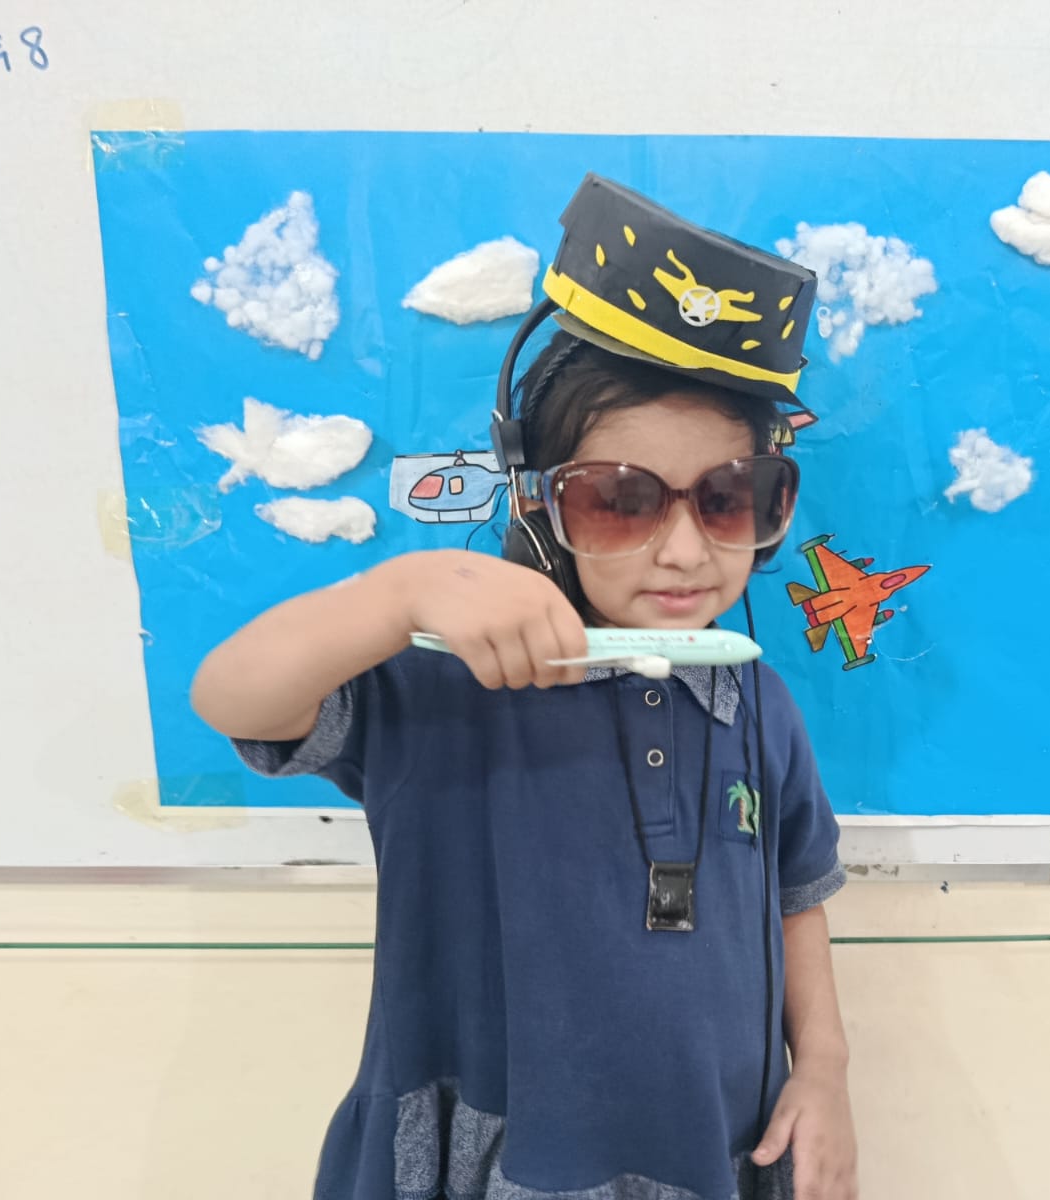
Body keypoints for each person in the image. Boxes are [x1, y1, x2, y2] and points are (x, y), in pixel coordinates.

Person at [192, 174, 858, 1200]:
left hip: (717, 1144)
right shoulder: (440, 681)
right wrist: (399, 590)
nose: (686, 551)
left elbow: (794, 899)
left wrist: (825, 1072)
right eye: (621, 501)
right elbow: (231, 697)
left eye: (730, 499)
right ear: (540, 502)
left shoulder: (756, 701)